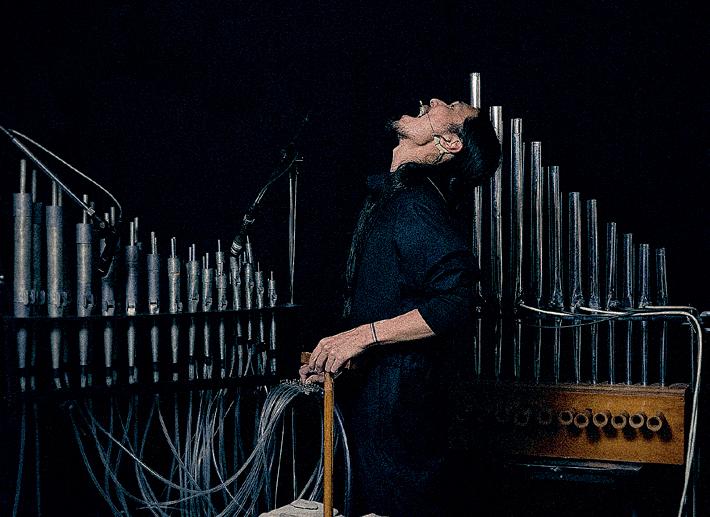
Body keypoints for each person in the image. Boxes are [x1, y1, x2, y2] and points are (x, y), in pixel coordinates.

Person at [300, 97, 501, 516]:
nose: (434, 100)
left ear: (451, 142)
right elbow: (387, 299)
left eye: (453, 106)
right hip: (374, 398)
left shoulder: (415, 206)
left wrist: (363, 337)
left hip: (397, 412)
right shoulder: (396, 197)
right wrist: (342, 355)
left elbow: (457, 300)